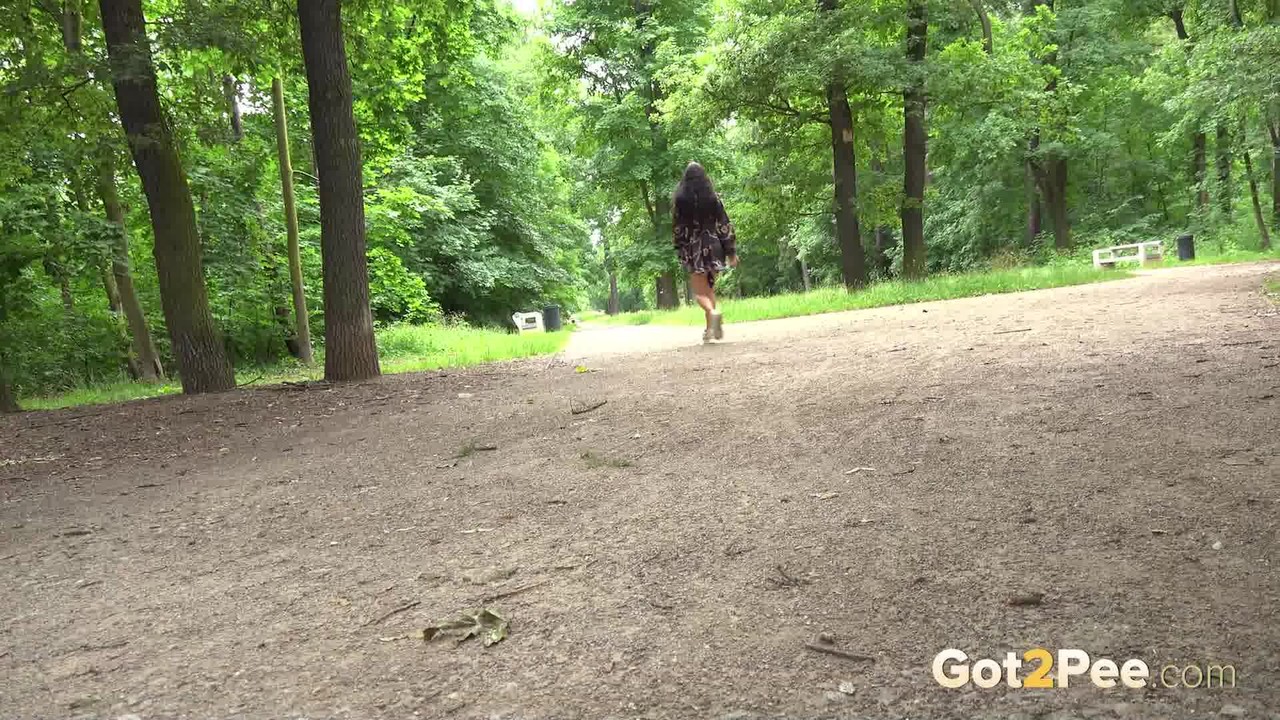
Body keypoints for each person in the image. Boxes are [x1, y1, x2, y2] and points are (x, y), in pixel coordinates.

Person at [672, 162, 738, 342]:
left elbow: (678, 228)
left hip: (694, 248)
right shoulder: (713, 198)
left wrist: (680, 247)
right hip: (714, 246)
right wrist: (731, 251)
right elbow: (724, 225)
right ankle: (710, 330)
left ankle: (712, 311)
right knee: (709, 290)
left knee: (700, 294)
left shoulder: (681, 201)